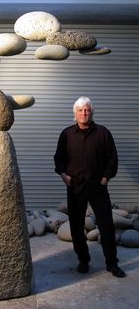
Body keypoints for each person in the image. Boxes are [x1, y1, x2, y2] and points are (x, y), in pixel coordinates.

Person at [54, 96, 126, 278]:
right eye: (80, 110)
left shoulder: (103, 133)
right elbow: (59, 158)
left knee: (106, 226)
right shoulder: (67, 134)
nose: (83, 113)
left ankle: (111, 263)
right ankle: (83, 260)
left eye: (86, 110)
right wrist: (64, 176)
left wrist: (105, 178)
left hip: (97, 187)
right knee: (76, 227)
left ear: (91, 112)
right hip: (75, 187)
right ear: (75, 113)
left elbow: (112, 158)